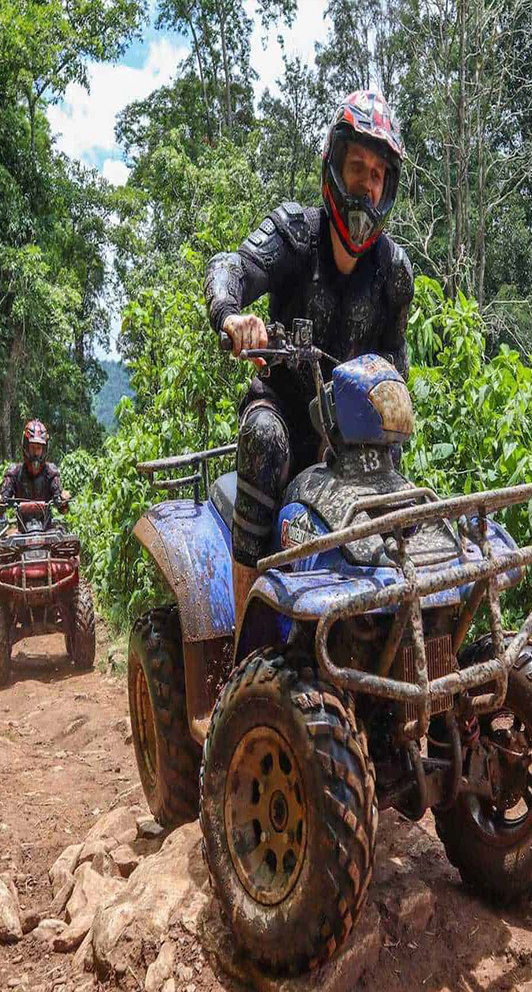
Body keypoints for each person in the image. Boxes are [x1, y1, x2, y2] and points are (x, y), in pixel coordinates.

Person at [204, 89, 413, 625]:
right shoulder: (294, 235)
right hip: (283, 414)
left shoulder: (393, 274)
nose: (367, 184)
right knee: (265, 437)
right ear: (334, 169)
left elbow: (397, 366)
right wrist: (232, 316)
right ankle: (244, 640)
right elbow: (232, 265)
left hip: (353, 441)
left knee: (403, 488)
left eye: (377, 174)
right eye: (357, 167)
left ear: (386, 187)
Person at [0, 419, 70, 510]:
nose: (36, 452)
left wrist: (64, 499)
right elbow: (1, 504)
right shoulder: (14, 472)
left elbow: (63, 509)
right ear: (26, 447)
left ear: (44, 449)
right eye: (32, 447)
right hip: (22, 523)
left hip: (45, 523)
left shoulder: (51, 472)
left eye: (38, 448)